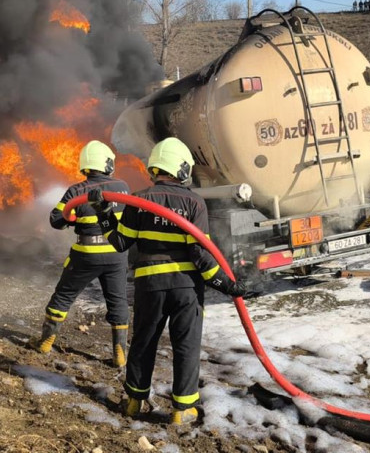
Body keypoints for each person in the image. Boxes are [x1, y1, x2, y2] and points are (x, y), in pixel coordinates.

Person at [90, 137, 246, 426]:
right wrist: (226, 285)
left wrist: (103, 213)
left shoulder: (138, 200)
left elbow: (120, 242)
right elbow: (201, 255)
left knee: (144, 342)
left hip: (150, 286)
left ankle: (135, 401)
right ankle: (182, 409)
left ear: (155, 169)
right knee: (186, 344)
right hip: (186, 287)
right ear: (183, 169)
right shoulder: (194, 202)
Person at [30, 140, 131, 367]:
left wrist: (71, 217)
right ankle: (119, 353)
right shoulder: (123, 187)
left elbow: (56, 220)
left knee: (64, 295)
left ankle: (45, 342)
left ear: (86, 166)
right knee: (117, 300)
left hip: (86, 253)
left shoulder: (77, 191)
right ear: (107, 164)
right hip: (117, 253)